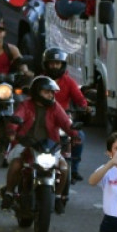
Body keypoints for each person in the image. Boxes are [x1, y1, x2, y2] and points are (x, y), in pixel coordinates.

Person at [1, 76, 80, 214]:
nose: (50, 95)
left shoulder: (55, 107)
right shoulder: (26, 105)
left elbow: (66, 123)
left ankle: (57, 197)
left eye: (52, 92)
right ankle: (8, 193)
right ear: (37, 92)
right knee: (16, 164)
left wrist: (75, 134)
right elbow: (17, 117)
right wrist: (12, 131)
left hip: (50, 146)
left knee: (64, 168)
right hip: (27, 143)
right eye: (46, 92)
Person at [43, 47, 88, 182]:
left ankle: (73, 170)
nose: (55, 66)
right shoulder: (40, 80)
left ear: (62, 65)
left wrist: (85, 107)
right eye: (52, 63)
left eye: (58, 63)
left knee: (79, 136)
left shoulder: (69, 81)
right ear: (46, 64)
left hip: (64, 119)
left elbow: (79, 99)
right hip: (43, 117)